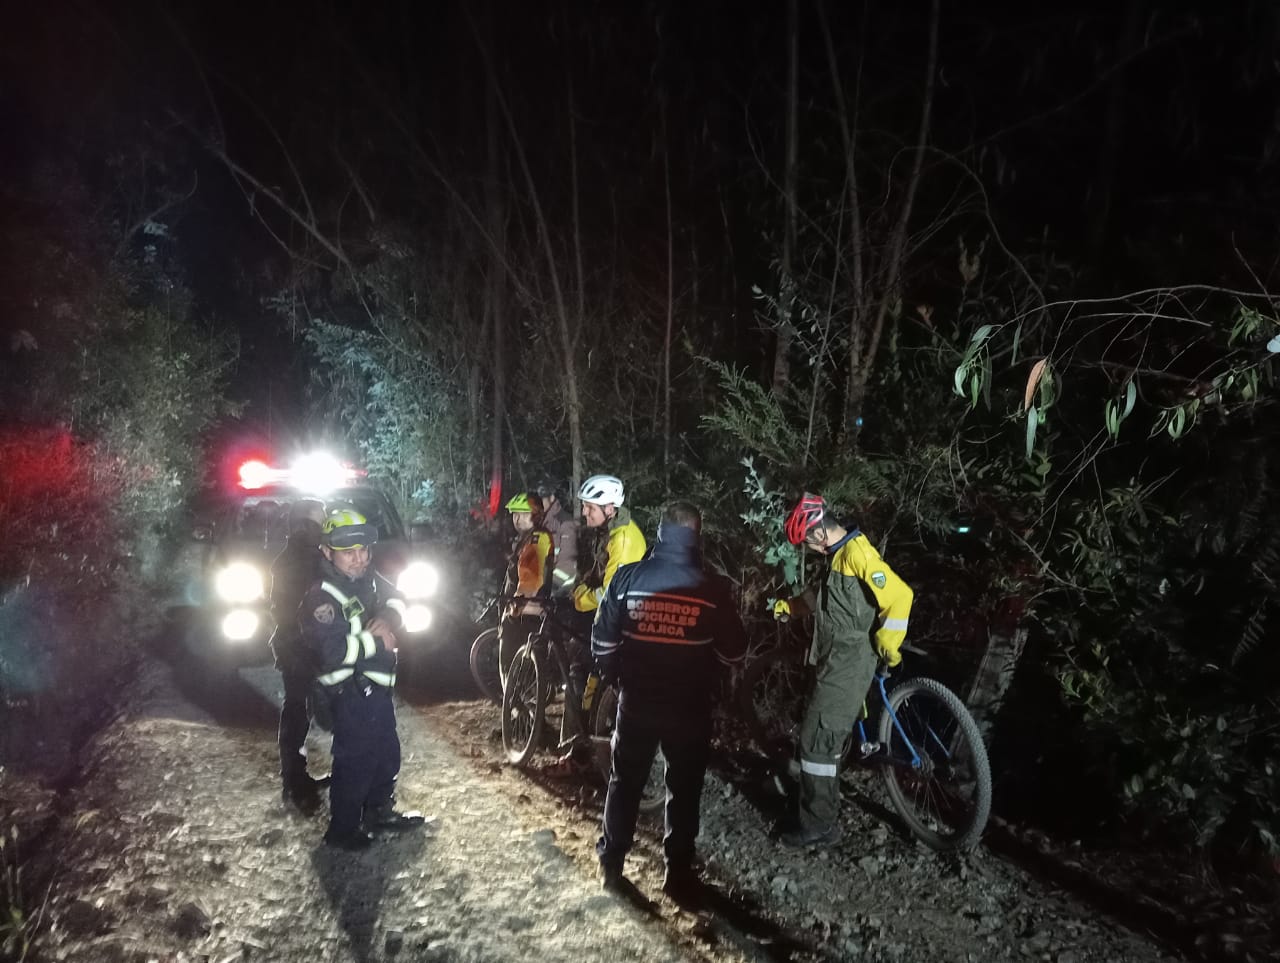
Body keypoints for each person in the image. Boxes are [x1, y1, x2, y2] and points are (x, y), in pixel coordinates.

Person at [592, 501, 746, 901]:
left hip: (637, 702)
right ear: (697, 535)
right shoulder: (711, 589)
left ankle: (612, 864)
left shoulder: (628, 577)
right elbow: (734, 651)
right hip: (689, 708)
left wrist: (617, 678)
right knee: (684, 788)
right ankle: (677, 876)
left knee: (625, 782)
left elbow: (603, 641)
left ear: (659, 532)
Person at [772, 492, 914, 848]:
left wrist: (889, 645)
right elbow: (824, 601)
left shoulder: (857, 554)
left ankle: (819, 825)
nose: (809, 549)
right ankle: (823, 802)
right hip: (835, 659)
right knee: (826, 738)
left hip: (849, 663)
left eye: (807, 542)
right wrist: (790, 607)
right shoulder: (837, 556)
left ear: (819, 532)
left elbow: (900, 597)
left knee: (815, 741)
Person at [298, 508, 425, 850]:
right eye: (348, 552)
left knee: (386, 752)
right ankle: (342, 830)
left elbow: (399, 599)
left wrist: (387, 618)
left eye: (364, 550)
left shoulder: (369, 578)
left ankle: (378, 812)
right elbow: (333, 652)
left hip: (375, 690)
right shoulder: (321, 597)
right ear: (327, 552)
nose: (359, 559)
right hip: (348, 693)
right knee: (355, 760)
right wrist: (377, 640)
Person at [547, 473, 647, 774]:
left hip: (619, 625)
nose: (585, 512)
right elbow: (600, 575)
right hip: (613, 620)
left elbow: (610, 593)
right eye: (585, 506)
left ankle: (576, 754)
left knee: (579, 675)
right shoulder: (612, 532)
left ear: (610, 509)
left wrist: (581, 598)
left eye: (590, 507)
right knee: (581, 671)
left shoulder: (624, 539)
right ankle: (583, 748)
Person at [268, 497, 327, 811]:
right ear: (307, 523)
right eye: (320, 517)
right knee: (298, 712)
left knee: (300, 710)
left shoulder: (298, 554)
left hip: (296, 643)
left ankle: (296, 778)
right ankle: (294, 783)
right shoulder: (304, 557)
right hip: (298, 644)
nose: (325, 522)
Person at [497, 491, 553, 686]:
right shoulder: (527, 538)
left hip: (527, 610)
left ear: (536, 514)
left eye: (523, 513)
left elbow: (530, 578)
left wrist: (516, 608)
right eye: (514, 514)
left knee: (510, 662)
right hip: (527, 607)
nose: (517, 518)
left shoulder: (536, 539)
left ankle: (513, 700)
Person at [536, 481, 579, 598]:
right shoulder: (537, 521)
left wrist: (551, 587)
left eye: (541, 500)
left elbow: (568, 563)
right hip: (539, 587)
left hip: (562, 592)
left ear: (551, 498)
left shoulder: (565, 523)